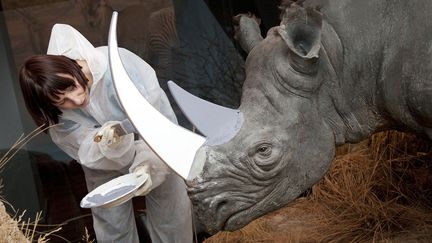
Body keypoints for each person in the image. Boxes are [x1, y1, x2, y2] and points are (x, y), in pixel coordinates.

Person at [19, 23, 193, 243]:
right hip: (103, 166)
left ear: (72, 67)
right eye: (63, 101)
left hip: (157, 147)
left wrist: (148, 163)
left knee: (171, 216)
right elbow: (85, 150)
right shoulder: (59, 115)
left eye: (72, 88)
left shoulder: (117, 65)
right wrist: (108, 143)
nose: (77, 100)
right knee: (113, 230)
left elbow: (156, 118)